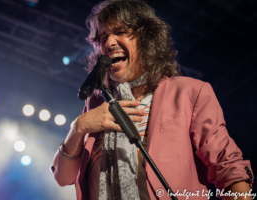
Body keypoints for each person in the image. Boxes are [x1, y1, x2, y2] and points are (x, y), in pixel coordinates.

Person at [51, 0, 254, 199]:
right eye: (103, 37)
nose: (109, 43)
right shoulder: (97, 104)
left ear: (147, 38)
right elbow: (62, 177)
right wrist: (77, 128)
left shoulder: (188, 92)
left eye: (121, 32)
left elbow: (228, 168)